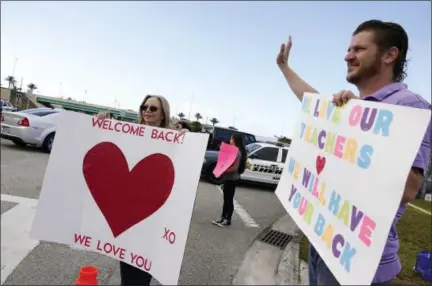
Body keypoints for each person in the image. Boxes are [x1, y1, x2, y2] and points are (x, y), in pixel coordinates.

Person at [276, 20, 431, 285]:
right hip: (324, 246)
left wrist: (362, 126)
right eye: (349, 49)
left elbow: (406, 190)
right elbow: (313, 105)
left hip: (359, 265)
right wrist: (284, 68)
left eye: (358, 49)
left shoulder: (410, 105)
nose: (347, 56)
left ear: (389, 55)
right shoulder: (354, 107)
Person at [96, 95, 188, 286]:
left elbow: (184, 168)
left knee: (140, 274)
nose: (147, 110)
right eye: (144, 107)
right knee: (128, 269)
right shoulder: (131, 134)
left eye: (153, 108)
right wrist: (101, 125)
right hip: (128, 214)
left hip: (152, 217)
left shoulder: (173, 139)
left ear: (163, 114)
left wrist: (186, 140)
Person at [212, 134, 247, 227]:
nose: (230, 140)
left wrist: (223, 170)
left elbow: (235, 168)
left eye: (231, 138)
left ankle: (228, 220)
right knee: (226, 199)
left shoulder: (237, 152)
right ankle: (223, 217)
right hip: (228, 178)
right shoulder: (232, 150)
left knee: (229, 200)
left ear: (234, 140)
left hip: (232, 179)